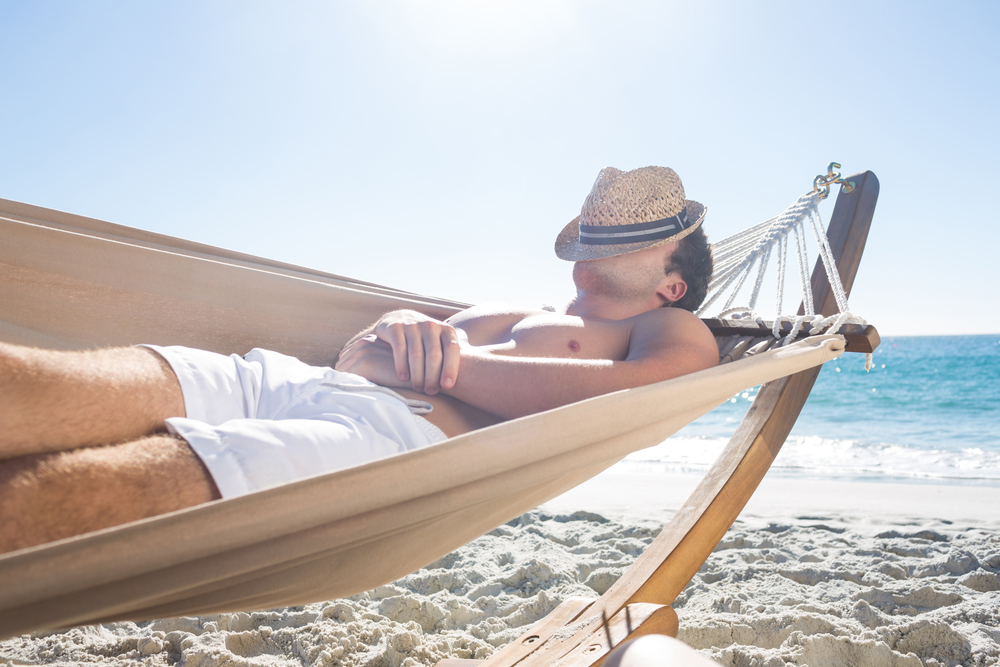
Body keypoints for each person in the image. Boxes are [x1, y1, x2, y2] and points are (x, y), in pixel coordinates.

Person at [0, 165, 718, 554]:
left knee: (72, 494)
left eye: (638, 236)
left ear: (671, 280)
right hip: (291, 378)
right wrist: (397, 320)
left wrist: (449, 367)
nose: (605, 236)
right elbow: (364, 344)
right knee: (30, 382)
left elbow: (651, 387)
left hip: (384, 441)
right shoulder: (524, 312)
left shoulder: (670, 326)